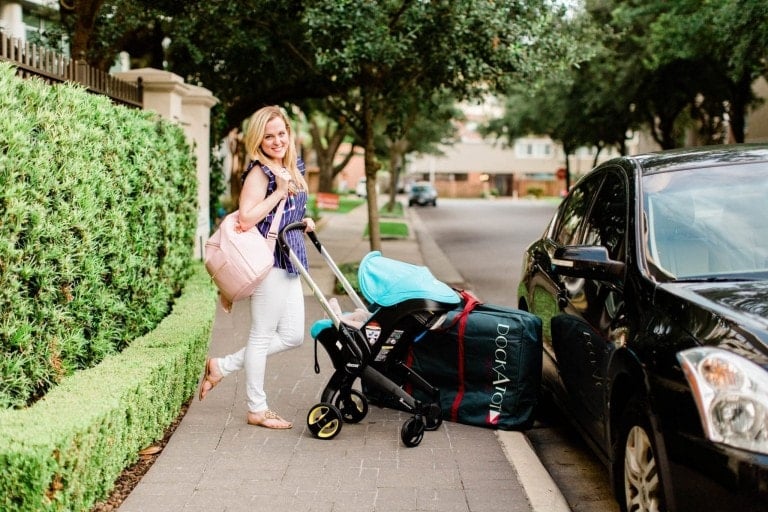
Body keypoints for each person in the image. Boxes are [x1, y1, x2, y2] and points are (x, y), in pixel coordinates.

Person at [197, 105, 315, 429]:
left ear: (289, 134)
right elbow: (247, 218)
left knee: (292, 336)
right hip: (268, 263)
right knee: (261, 336)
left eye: (281, 133)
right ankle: (257, 409)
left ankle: (221, 366)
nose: (276, 141)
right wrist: (278, 192)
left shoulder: (293, 165)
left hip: (291, 260)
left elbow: (291, 210)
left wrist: (304, 220)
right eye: (269, 136)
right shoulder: (260, 173)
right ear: (258, 140)